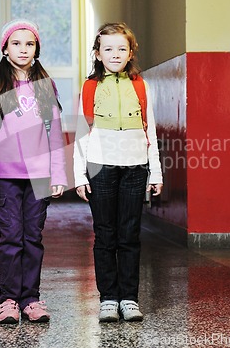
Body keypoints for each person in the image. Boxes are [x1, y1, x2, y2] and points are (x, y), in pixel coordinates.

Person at [0, 18, 67, 324]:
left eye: (29, 43)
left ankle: (31, 299)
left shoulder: (45, 84)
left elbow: (55, 131)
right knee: (11, 238)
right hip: (5, 177)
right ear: (5, 48)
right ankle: (9, 301)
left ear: (37, 48)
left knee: (33, 238)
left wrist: (58, 174)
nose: (23, 49)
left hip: (39, 176)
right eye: (16, 43)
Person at [73, 22, 163, 322]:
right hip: (100, 168)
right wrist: (79, 175)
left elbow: (150, 130)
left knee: (129, 235)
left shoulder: (141, 85)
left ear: (130, 52)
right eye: (108, 49)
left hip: (135, 168)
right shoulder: (89, 87)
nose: (115, 54)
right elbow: (81, 133)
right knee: (105, 235)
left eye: (121, 49)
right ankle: (108, 299)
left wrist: (156, 173)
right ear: (97, 54)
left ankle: (129, 298)